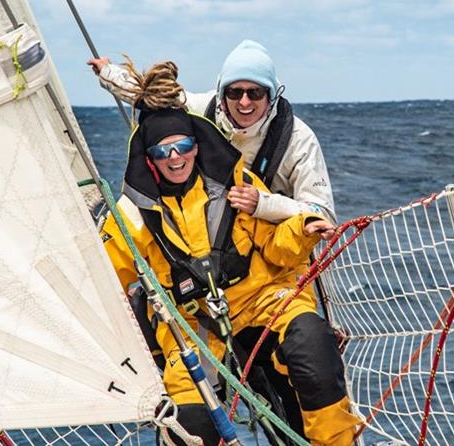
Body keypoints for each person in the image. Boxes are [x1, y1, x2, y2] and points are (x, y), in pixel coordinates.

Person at [100, 59, 360, 445]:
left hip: (261, 301)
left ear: (196, 145)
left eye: (184, 146)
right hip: (192, 328)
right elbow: (105, 282)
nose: (176, 158)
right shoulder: (129, 217)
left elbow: (274, 247)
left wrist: (303, 229)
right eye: (162, 151)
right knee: (190, 426)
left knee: (313, 346)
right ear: (148, 160)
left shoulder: (234, 184)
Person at [88, 39, 335, 224]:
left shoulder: (298, 140)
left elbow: (321, 212)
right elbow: (151, 95)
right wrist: (108, 72)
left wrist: (262, 204)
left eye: (255, 92)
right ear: (221, 92)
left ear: (272, 94)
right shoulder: (202, 109)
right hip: (208, 231)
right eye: (235, 92)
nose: (245, 102)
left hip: (266, 238)